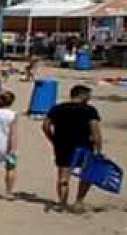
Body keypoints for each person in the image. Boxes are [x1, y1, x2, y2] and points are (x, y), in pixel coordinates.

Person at [42, 84, 103, 212]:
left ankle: (62, 203)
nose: (90, 98)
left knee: (63, 176)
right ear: (82, 95)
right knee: (87, 175)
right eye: (88, 95)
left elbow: (45, 125)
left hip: (62, 145)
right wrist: (98, 149)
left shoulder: (58, 108)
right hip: (84, 146)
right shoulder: (90, 110)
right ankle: (79, 201)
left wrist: (53, 139)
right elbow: (95, 131)